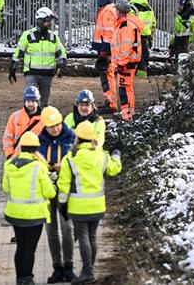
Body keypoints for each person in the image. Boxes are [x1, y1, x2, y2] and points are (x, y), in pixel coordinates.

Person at [57, 121, 122, 284]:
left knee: (84, 236)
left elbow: (63, 185)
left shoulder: (70, 158)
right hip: (98, 204)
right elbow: (114, 169)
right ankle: (89, 271)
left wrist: (62, 205)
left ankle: (88, 272)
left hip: (79, 206)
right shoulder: (101, 155)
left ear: (77, 138)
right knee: (92, 237)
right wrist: (116, 154)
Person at [3, 132, 57, 285]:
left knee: (20, 247)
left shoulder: (9, 165)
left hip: (15, 213)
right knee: (30, 248)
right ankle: (27, 278)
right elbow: (49, 192)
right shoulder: (39, 166)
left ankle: (20, 277)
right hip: (34, 215)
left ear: (21, 147)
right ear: (36, 148)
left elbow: (5, 188)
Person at [37, 106, 77, 283]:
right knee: (51, 231)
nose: (56, 128)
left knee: (67, 229)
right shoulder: (39, 141)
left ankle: (68, 266)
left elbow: (80, 162)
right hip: (47, 191)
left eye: (58, 124)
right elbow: (36, 165)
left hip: (65, 191)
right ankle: (57, 267)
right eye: (51, 126)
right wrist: (53, 166)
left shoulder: (72, 138)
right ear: (45, 126)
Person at [9, 7, 68, 108]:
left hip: (47, 74)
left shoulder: (53, 36)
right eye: (48, 21)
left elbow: (61, 51)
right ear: (40, 21)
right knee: (31, 100)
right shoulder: (28, 35)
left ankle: (42, 122)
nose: (50, 23)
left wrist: (62, 62)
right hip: (31, 73)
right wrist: (13, 66)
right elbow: (18, 52)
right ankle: (29, 121)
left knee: (44, 103)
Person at [111, 0, 144, 121]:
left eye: (116, 10)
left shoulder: (126, 26)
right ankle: (128, 115)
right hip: (126, 63)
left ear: (120, 11)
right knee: (126, 88)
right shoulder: (125, 23)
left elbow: (126, 47)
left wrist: (120, 63)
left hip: (126, 63)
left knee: (125, 88)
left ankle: (128, 116)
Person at [92, 0, 119, 113]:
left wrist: (104, 50)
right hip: (107, 48)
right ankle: (109, 101)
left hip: (107, 49)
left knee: (108, 75)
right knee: (107, 75)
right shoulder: (108, 9)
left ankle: (111, 104)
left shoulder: (107, 10)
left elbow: (109, 31)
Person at [2, 86, 45, 159]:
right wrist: (9, 155)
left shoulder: (44, 119)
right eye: (28, 101)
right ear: (24, 101)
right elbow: (7, 138)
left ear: (37, 102)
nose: (30, 104)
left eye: (33, 101)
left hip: (36, 160)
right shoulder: (14, 117)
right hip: (17, 159)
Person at [126, 0, 157, 78]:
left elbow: (129, 23)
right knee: (144, 57)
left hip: (135, 37)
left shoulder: (132, 7)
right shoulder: (149, 8)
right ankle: (143, 76)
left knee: (136, 59)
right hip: (146, 37)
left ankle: (139, 79)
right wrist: (151, 35)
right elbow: (154, 24)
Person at [169, 0, 194, 71]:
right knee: (178, 72)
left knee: (184, 72)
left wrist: (193, 47)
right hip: (179, 48)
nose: (179, 7)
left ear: (187, 6)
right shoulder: (179, 18)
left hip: (188, 49)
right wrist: (172, 45)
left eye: (181, 5)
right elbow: (176, 33)